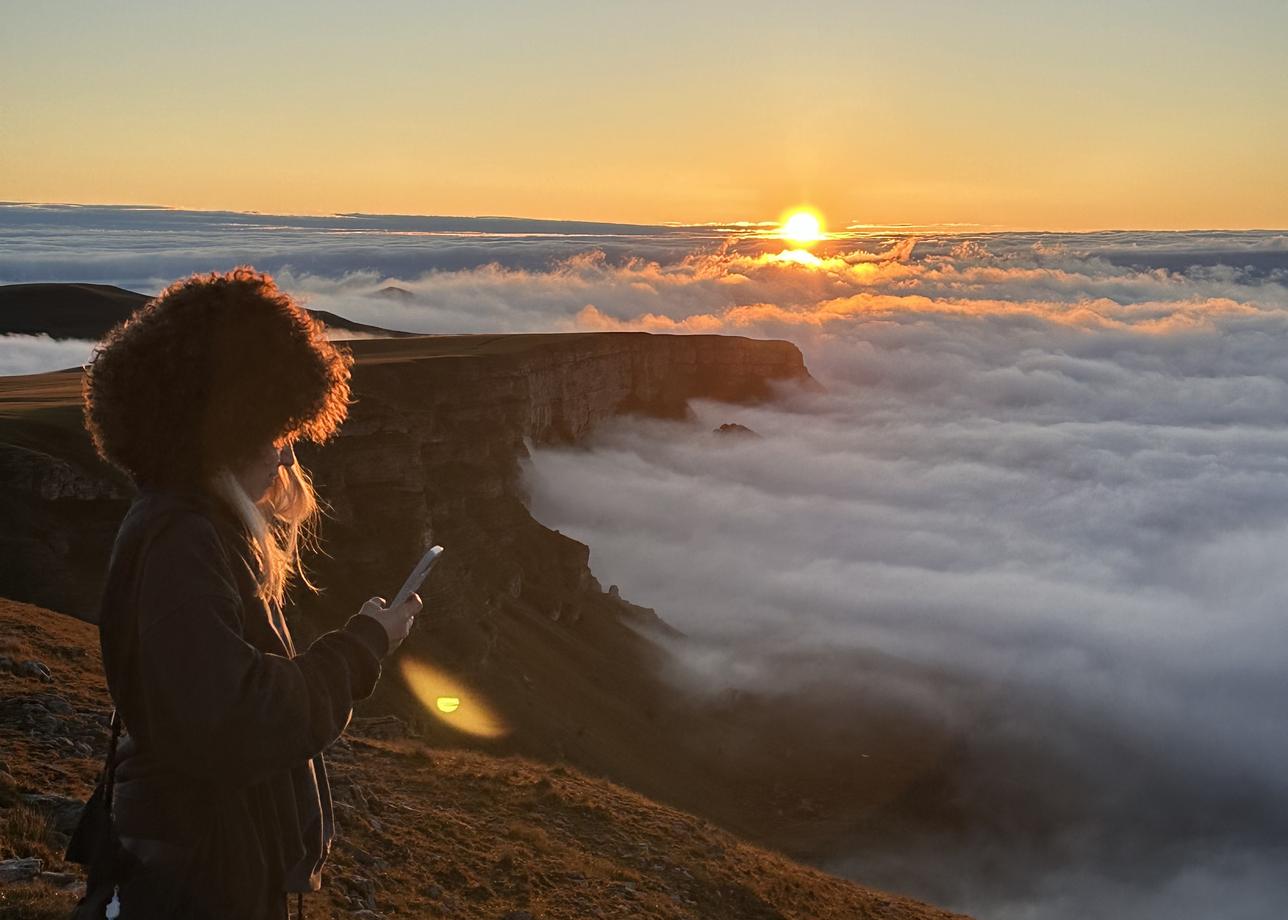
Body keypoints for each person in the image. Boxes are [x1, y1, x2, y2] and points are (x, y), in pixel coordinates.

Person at [76, 266, 422, 919]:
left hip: (207, 855)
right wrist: (360, 651)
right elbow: (236, 722)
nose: (287, 457)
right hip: (198, 877)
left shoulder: (187, 524)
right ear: (227, 428)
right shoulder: (183, 542)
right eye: (275, 432)